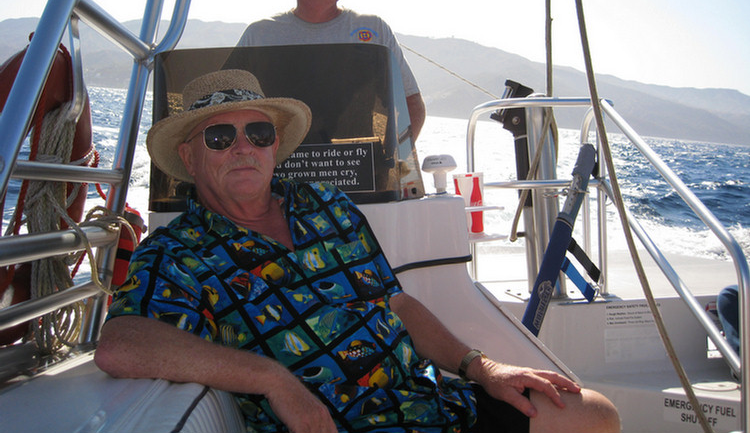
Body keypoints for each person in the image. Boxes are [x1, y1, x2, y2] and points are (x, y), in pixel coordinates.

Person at [95, 69, 620, 433]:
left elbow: (395, 303)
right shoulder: (177, 253)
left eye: (257, 132)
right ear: (188, 156)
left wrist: (481, 367)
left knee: (594, 415)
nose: (243, 147)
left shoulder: (327, 205)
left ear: (275, 145)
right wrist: (271, 380)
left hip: (432, 402)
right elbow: (120, 343)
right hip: (338, 424)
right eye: (219, 137)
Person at [237, 0, 426, 139]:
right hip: (282, 171)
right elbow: (228, 108)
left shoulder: (374, 29)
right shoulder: (259, 36)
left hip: (356, 169)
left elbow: (411, 103)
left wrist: (392, 163)